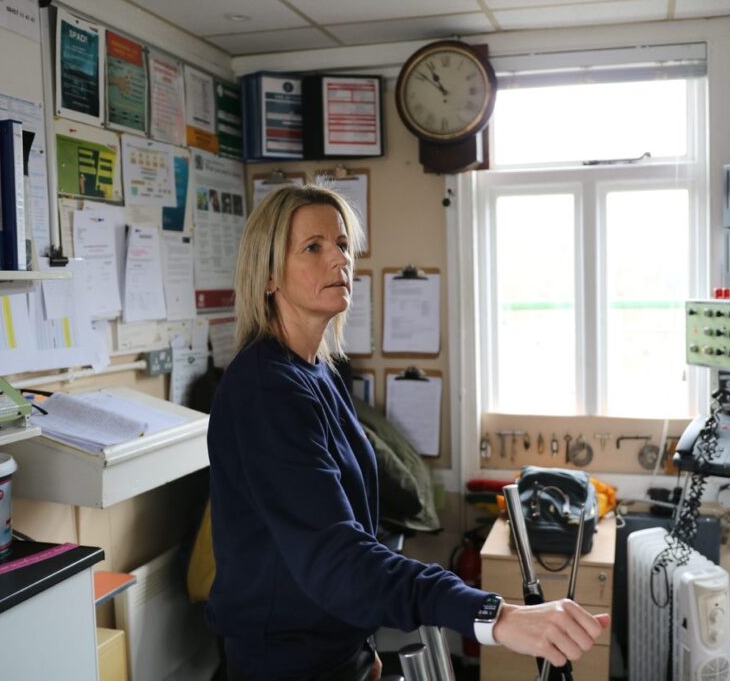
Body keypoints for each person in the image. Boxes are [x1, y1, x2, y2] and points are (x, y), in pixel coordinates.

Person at [207, 185, 609, 681]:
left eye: (343, 245)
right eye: (314, 247)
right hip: (285, 665)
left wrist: (360, 642)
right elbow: (334, 557)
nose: (339, 259)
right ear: (268, 275)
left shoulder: (321, 373)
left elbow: (351, 526)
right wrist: (495, 617)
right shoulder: (265, 389)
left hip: (338, 653)